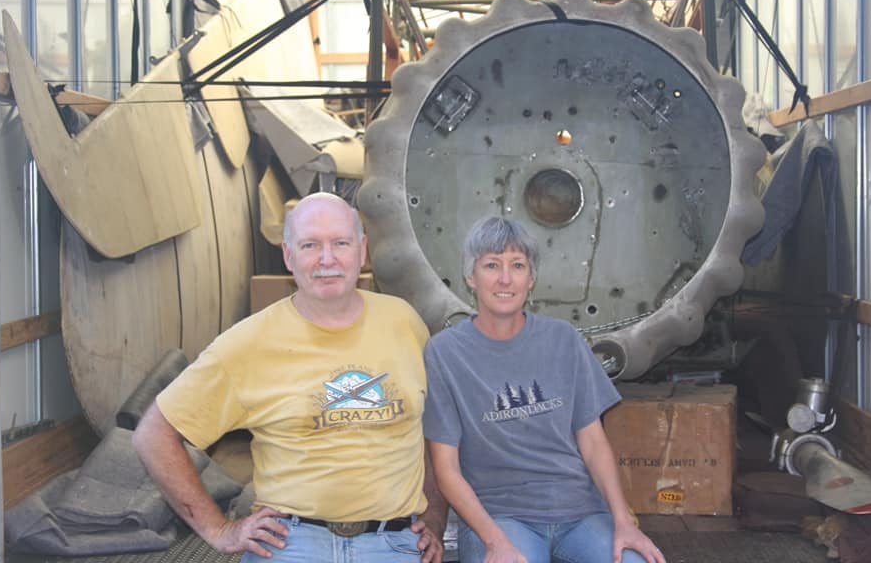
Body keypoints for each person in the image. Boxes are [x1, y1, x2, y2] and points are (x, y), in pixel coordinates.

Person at [133, 192, 447, 563]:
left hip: (394, 543)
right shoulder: (246, 344)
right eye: (310, 245)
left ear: (362, 251)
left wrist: (435, 516)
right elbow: (153, 434)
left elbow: (429, 429)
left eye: (340, 243)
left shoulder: (404, 322)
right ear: (288, 256)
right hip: (292, 544)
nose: (327, 259)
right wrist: (218, 530)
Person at [423, 216, 665, 563]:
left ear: (531, 278)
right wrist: (494, 541)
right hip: (501, 518)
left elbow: (594, 443)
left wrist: (624, 522)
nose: (505, 279)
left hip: (581, 513)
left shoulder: (564, 340)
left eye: (517, 265)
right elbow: (446, 468)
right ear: (470, 278)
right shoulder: (444, 354)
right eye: (492, 265)